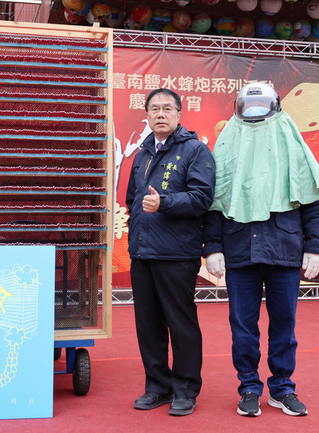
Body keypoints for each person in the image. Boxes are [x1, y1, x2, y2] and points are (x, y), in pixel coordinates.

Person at [203, 82, 319, 418]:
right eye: (249, 105)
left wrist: (315, 246)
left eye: (262, 105)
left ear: (275, 107)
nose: (255, 112)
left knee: (284, 323)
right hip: (239, 249)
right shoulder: (227, 143)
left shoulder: (291, 141)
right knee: (242, 325)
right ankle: (248, 386)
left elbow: (314, 199)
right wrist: (212, 248)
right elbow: (214, 202)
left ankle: (282, 388)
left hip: (284, 248)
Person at [126, 88, 216, 417]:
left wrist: (164, 203)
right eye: (154, 109)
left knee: (181, 323)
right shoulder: (142, 153)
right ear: (147, 115)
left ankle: (186, 389)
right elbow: (133, 200)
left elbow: (202, 197)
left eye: (167, 108)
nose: (160, 114)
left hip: (177, 253)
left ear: (179, 113)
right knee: (148, 324)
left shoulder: (195, 150)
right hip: (143, 252)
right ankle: (157, 387)